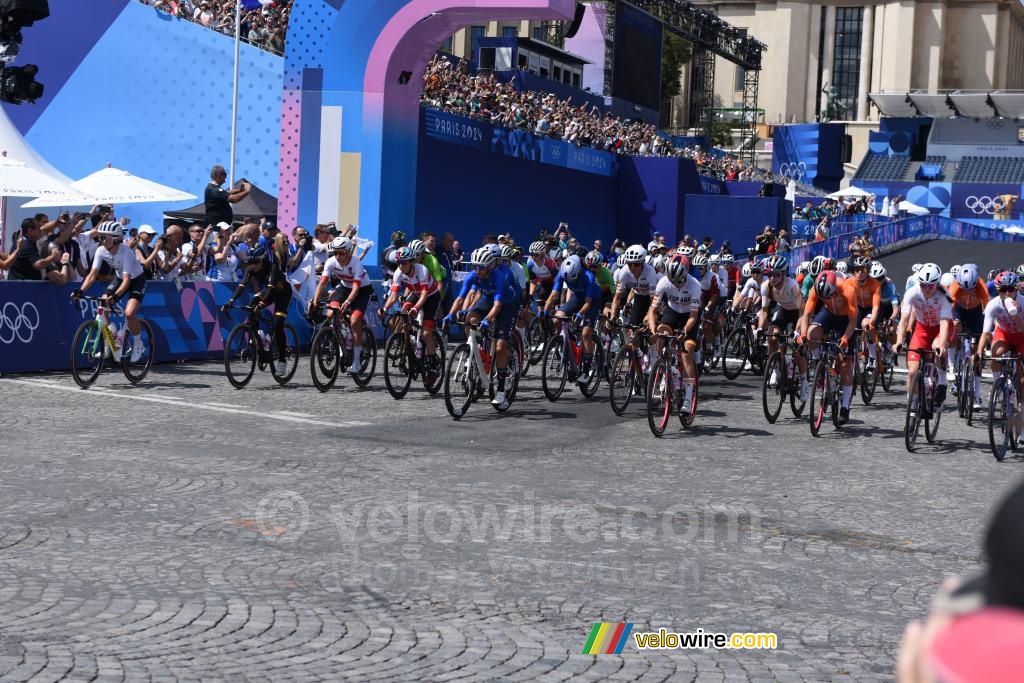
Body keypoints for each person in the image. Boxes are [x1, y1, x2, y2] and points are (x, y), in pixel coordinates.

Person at [70, 221, 148, 363]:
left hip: (136, 280)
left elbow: (127, 280)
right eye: (101, 237)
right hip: (119, 278)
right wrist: (80, 290)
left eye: (107, 237)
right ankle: (108, 343)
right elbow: (92, 275)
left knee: (129, 313)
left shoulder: (126, 252)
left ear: (117, 238)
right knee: (102, 305)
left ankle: (138, 344)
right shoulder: (101, 250)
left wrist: (115, 297)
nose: (103, 241)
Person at [308, 236, 372, 374]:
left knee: (355, 321)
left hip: (362, 290)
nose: (338, 256)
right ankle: (343, 341)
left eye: (341, 252)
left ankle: (356, 361)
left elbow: (356, 288)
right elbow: (323, 282)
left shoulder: (356, 263)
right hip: (344, 287)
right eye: (335, 252)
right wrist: (314, 300)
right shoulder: (331, 262)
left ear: (348, 252)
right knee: (331, 313)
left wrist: (348, 302)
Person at [895, 263, 952, 417]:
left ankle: (942, 381)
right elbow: (904, 320)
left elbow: (945, 323)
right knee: (912, 371)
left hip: (941, 328)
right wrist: (899, 341)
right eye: (923, 285)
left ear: (937, 284)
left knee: (936, 347)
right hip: (922, 329)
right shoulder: (912, 293)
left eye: (931, 286)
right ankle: (913, 403)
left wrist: (942, 344)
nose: (927, 289)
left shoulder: (944, 296)